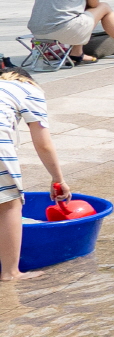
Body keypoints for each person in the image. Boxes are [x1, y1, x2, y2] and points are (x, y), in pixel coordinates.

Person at [0, 58, 65, 282]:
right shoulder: (29, 89)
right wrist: (58, 179)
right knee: (8, 204)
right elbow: (43, 143)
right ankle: (10, 273)